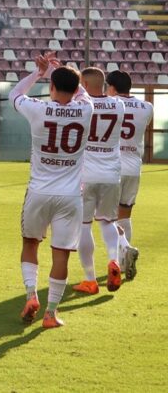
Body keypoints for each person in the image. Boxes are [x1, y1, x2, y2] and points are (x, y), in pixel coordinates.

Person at [9, 52, 93, 328]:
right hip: (70, 196)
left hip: (38, 191)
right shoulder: (86, 109)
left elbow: (15, 93)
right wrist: (65, 74)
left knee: (30, 243)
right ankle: (50, 313)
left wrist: (40, 72)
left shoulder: (38, 108)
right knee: (61, 253)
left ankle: (31, 294)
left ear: (51, 88)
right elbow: (81, 92)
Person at [73, 67, 125, 295]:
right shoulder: (118, 104)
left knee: (84, 226)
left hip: (86, 173)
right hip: (111, 173)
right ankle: (114, 260)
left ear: (83, 82)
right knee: (108, 221)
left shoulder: (81, 106)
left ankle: (90, 279)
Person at [106, 69, 151, 281]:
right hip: (134, 166)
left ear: (112, 88)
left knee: (104, 217)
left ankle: (122, 253)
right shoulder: (147, 107)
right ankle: (124, 263)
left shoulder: (110, 104)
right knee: (125, 214)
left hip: (113, 165)